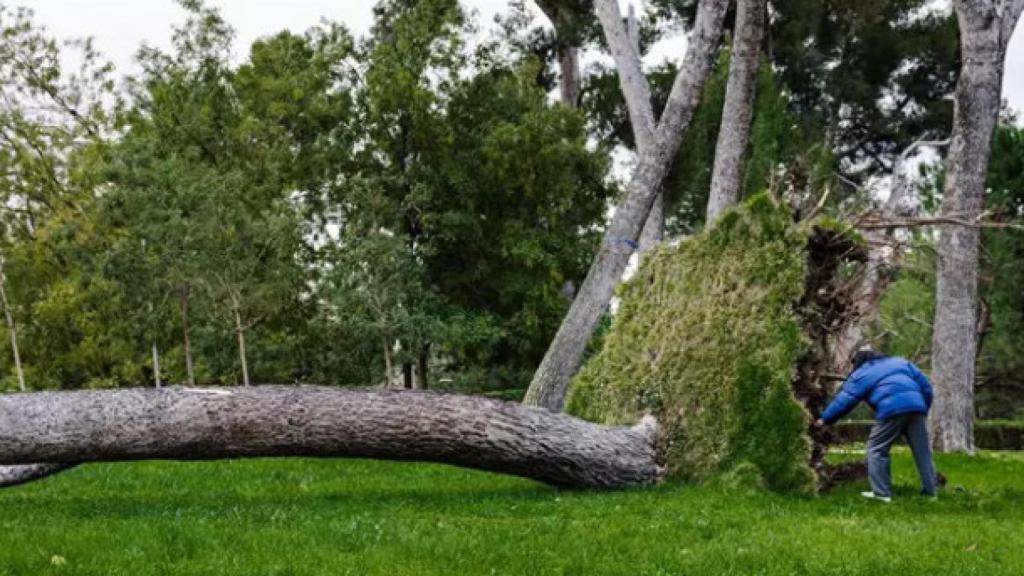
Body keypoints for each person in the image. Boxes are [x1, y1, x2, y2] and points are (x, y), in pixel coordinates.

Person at [814, 346, 938, 502]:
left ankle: (882, 493)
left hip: (891, 408)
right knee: (922, 451)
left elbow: (845, 400)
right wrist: (922, 407)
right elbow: (926, 387)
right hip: (917, 407)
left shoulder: (861, 374)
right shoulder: (900, 362)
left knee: (876, 448)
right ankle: (931, 492)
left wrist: (824, 419)